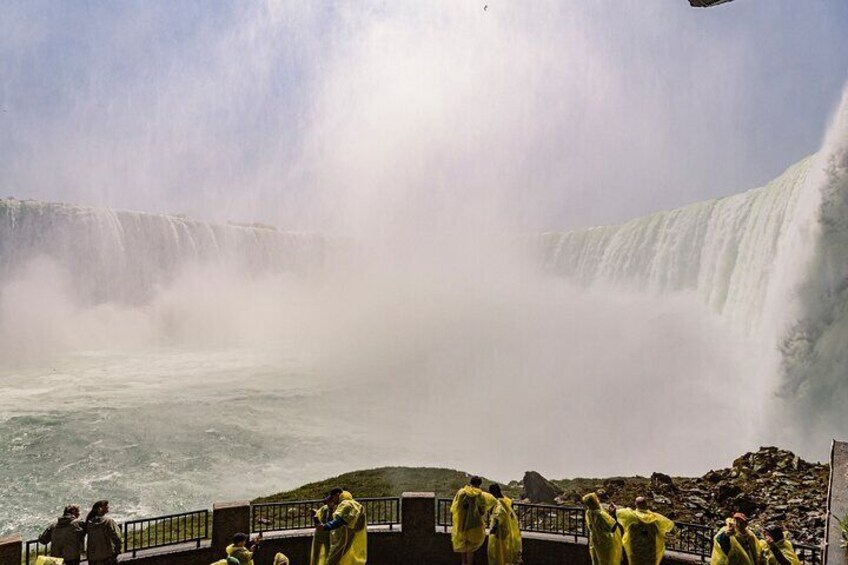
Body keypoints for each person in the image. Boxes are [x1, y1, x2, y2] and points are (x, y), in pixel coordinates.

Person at [611, 497, 674, 565]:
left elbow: (617, 512)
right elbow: (669, 525)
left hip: (636, 548)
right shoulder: (655, 518)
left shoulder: (631, 516)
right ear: (646, 504)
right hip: (650, 549)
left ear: (635, 504)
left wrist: (614, 508)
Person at [450, 476, 497, 565]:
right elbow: (482, 511)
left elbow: (454, 508)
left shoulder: (461, 493)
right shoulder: (479, 495)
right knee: (471, 549)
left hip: (461, 524)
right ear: (479, 484)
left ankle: (463, 563)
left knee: (462, 546)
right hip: (474, 525)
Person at [316, 488, 367, 565]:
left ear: (337, 495)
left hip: (345, 534)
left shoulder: (346, 504)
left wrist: (325, 527)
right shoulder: (351, 503)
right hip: (351, 533)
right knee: (341, 557)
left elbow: (340, 520)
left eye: (332, 498)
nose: (333, 500)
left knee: (332, 559)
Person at [583, 493, 623, 565]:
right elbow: (613, 528)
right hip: (605, 543)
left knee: (597, 561)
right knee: (607, 561)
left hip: (595, 542)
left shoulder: (588, 512)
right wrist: (613, 514)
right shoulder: (601, 514)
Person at [487, 484, 522, 565]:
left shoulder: (498, 502)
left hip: (499, 532)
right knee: (506, 553)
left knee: (498, 554)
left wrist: (494, 528)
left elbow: (499, 514)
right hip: (508, 530)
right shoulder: (507, 501)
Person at [85, 500, 122, 565]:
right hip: (107, 556)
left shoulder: (89, 522)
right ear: (100, 508)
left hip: (93, 557)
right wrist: (117, 551)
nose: (108, 507)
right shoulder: (108, 521)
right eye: (106, 505)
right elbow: (117, 537)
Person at [311, 492, 339, 565]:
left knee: (328, 554)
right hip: (319, 534)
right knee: (316, 554)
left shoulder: (336, 510)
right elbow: (317, 518)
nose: (328, 503)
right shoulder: (324, 509)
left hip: (328, 535)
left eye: (329, 501)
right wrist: (315, 517)